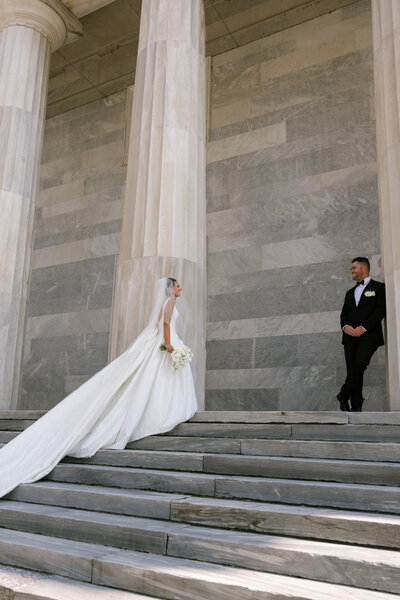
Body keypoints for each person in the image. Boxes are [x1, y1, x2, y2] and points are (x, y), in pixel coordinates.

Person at [0, 277, 197, 498]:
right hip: (164, 343)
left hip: (158, 343)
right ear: (170, 288)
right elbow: (166, 325)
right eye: (178, 285)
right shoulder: (169, 302)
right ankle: (162, 413)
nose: (181, 288)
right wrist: (169, 345)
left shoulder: (168, 303)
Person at [337, 257, 386, 412]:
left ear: (364, 268)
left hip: (369, 336)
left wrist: (363, 328)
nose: (351, 271)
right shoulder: (349, 292)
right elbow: (343, 314)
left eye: (354, 268)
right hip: (349, 337)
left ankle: (343, 394)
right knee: (353, 369)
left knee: (359, 365)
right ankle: (356, 405)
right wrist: (345, 327)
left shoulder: (379, 288)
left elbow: (380, 311)